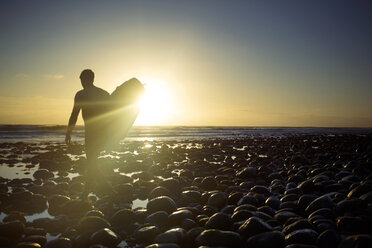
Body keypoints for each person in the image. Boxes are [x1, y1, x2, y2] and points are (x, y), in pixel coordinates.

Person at [65, 69, 110, 194]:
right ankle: (94, 185)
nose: (81, 82)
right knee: (92, 159)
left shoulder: (81, 94)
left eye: (81, 79)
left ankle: (102, 187)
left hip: (91, 131)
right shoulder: (104, 93)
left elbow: (74, 115)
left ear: (84, 79)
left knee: (91, 159)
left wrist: (68, 133)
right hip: (104, 131)